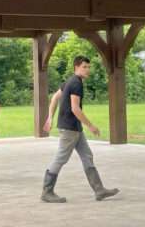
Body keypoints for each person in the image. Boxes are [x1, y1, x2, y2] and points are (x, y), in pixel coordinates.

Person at [41, 55, 119, 203]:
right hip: (69, 128)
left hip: (75, 128)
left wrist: (50, 117)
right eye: (84, 67)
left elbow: (54, 98)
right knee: (61, 158)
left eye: (88, 67)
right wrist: (91, 125)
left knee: (87, 155)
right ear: (76, 67)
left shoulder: (69, 81)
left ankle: (99, 190)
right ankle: (47, 192)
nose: (87, 70)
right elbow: (75, 109)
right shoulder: (76, 83)